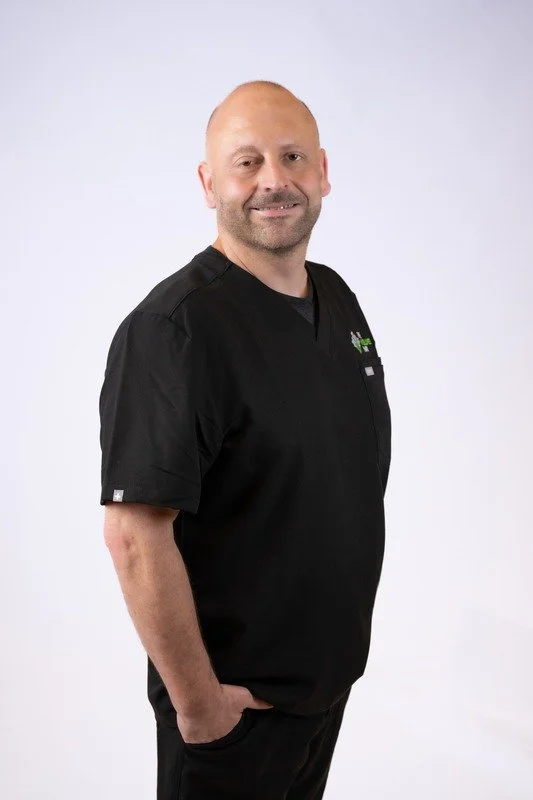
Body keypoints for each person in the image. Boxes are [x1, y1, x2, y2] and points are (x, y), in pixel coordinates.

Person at [99, 79, 392, 800]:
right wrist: (202, 708)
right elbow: (134, 533)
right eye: (247, 161)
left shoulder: (334, 297)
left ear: (322, 171)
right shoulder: (176, 330)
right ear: (209, 184)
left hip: (320, 694)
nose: (273, 181)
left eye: (291, 157)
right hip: (237, 714)